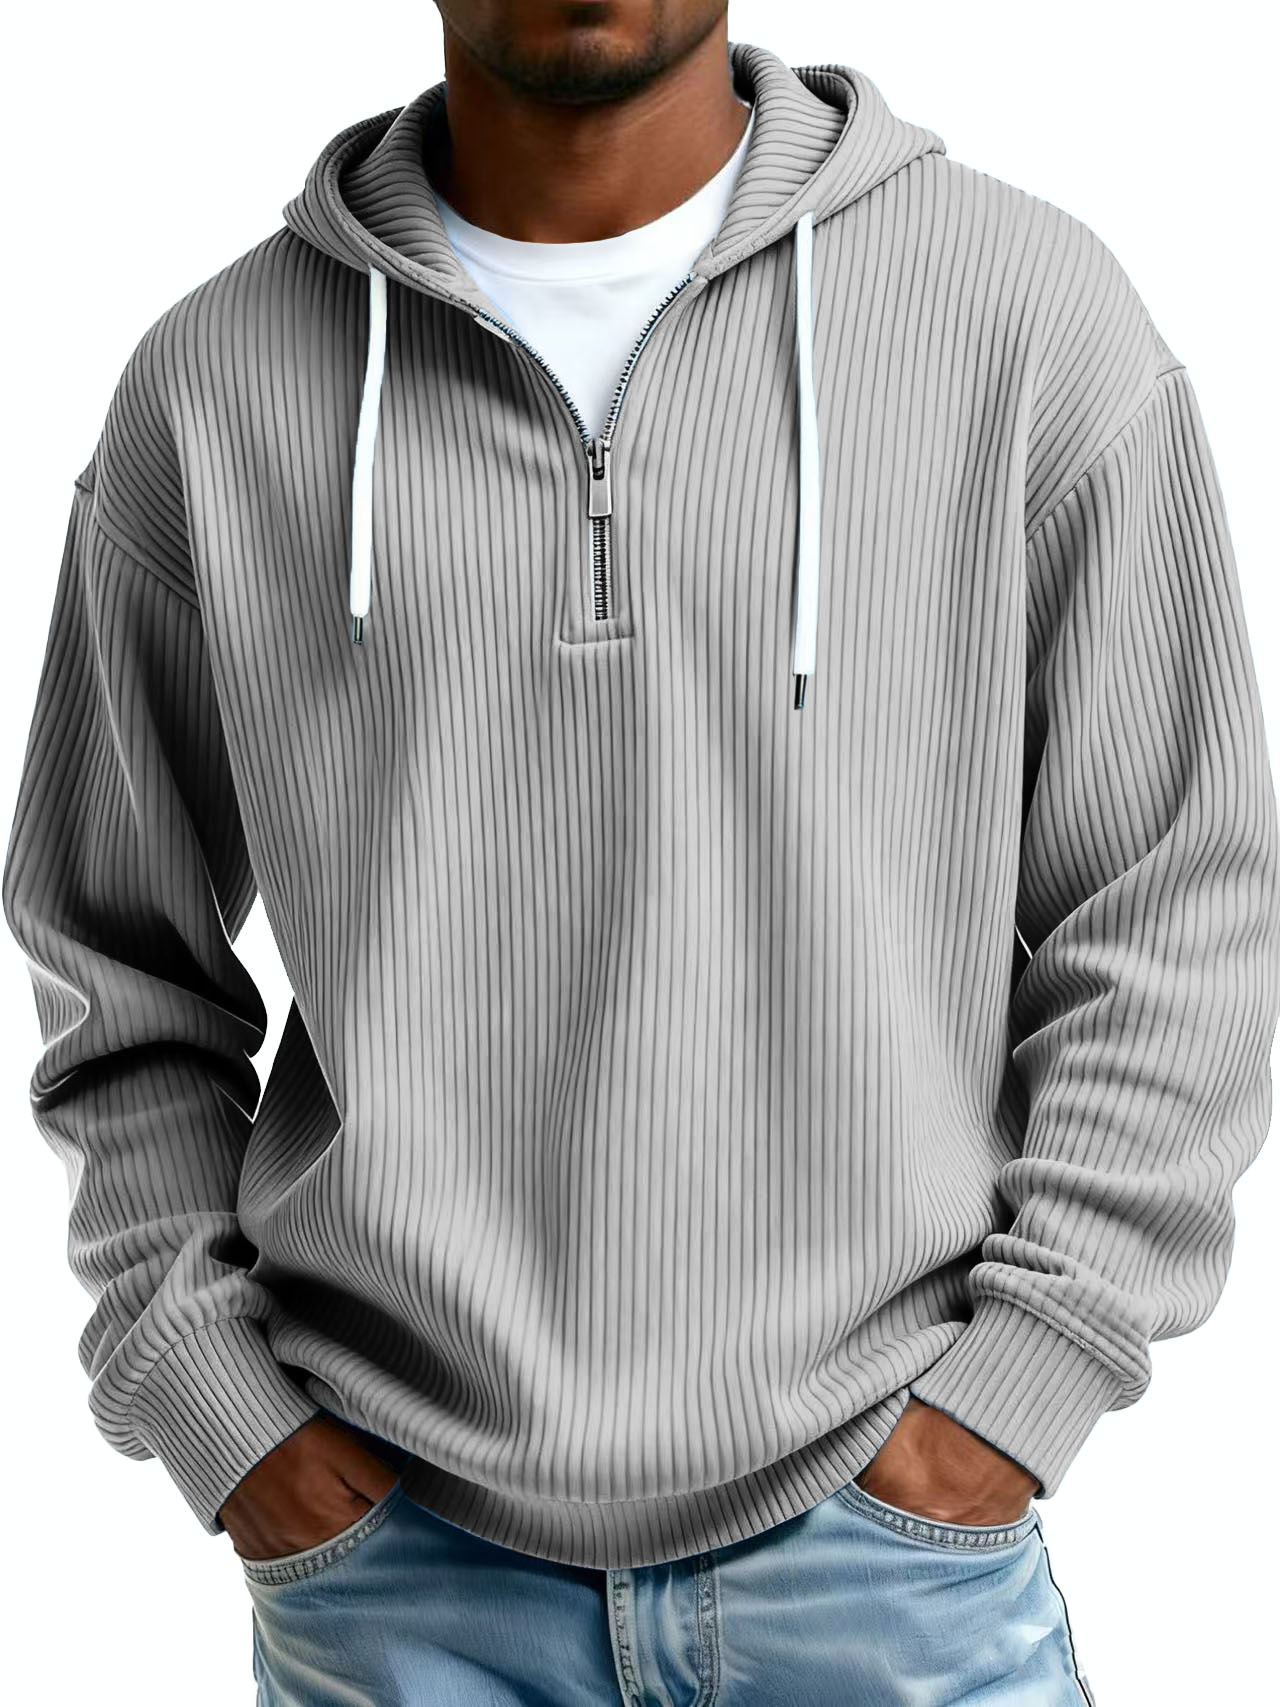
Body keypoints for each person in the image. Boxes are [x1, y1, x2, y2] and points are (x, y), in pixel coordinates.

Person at [5, 3, 1278, 1702]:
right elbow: (113, 964)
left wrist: (1019, 1388)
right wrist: (226, 1420)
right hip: (399, 1576)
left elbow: (1182, 900)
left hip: (891, 1554)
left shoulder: (1023, 317)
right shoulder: (215, 385)